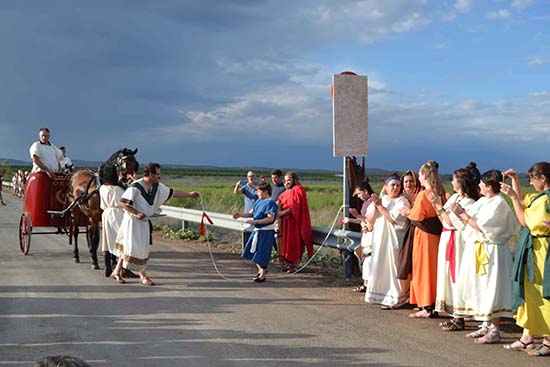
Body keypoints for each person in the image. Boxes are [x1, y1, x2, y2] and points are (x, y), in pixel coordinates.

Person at [451, 169, 519, 344]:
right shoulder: (483, 201)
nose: (479, 186)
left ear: (489, 186)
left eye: (482, 183)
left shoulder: (499, 204)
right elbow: (469, 222)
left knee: (493, 288)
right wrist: (459, 214)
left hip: (492, 251)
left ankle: (495, 329)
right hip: (480, 249)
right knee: (481, 287)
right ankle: (485, 324)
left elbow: (483, 227)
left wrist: (463, 214)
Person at [111, 163, 200, 285]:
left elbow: (173, 192)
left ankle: (116, 271)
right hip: (132, 222)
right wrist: (136, 213)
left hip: (144, 222)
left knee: (133, 247)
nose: (159, 177)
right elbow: (123, 203)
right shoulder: (135, 187)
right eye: (157, 174)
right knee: (135, 247)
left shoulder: (157, 187)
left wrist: (189, 195)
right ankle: (143, 276)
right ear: (151, 174)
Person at [500, 162, 550, 356]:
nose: (530, 182)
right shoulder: (541, 197)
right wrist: (514, 181)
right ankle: (528, 335)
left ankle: (547, 339)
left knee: (543, 292)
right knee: (531, 292)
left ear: (543, 178)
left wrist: (511, 197)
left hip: (543, 251)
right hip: (535, 250)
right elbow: (523, 200)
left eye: (532, 179)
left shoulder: (546, 200)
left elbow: (525, 220)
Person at [429, 168, 480, 331]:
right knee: (447, 276)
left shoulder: (469, 202)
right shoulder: (456, 197)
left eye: (454, 179)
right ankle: (453, 313)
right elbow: (442, 218)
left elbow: (451, 222)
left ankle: (460, 316)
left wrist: (438, 205)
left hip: (457, 240)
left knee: (456, 275)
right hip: (447, 237)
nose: (451, 182)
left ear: (461, 182)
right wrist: (437, 206)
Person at [365, 173, 411, 309]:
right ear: (386, 187)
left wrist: (380, 207)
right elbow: (370, 220)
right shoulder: (381, 199)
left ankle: (398, 297)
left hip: (394, 240)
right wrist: (376, 206)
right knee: (380, 265)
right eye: (393, 185)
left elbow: (393, 219)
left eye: (398, 185)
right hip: (380, 239)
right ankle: (381, 294)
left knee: (393, 267)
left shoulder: (402, 201)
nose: (396, 188)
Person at [407, 160, 446, 318]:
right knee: (434, 268)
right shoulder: (440, 192)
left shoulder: (424, 194)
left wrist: (406, 212)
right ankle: (434, 301)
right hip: (437, 236)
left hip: (424, 236)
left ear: (424, 175)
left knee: (423, 268)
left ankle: (426, 304)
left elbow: (416, 216)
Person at [233, 182, 278, 282]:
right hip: (258, 231)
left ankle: (262, 274)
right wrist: (240, 215)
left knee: (263, 253)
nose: (256, 192)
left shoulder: (270, 203)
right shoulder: (258, 201)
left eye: (258, 190)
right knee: (253, 251)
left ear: (265, 191)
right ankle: (261, 270)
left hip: (266, 232)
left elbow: (270, 219)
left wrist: (256, 221)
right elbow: (250, 213)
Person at [340, 180, 375, 292]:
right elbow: (362, 220)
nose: (359, 197)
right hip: (365, 233)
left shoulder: (373, 203)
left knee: (369, 260)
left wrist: (357, 215)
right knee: (365, 261)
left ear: (365, 191)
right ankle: (365, 284)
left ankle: (369, 285)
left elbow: (369, 220)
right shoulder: (366, 203)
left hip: (371, 234)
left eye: (359, 194)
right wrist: (350, 219)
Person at [277, 171, 313, 272]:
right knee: (285, 243)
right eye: (285, 180)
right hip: (285, 222)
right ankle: (287, 263)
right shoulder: (287, 192)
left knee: (294, 243)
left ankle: (295, 264)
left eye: (289, 180)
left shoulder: (298, 190)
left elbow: (294, 206)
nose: (287, 182)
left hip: (294, 221)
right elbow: (280, 201)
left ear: (295, 180)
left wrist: (282, 213)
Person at [99, 180, 126, 277]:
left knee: (106, 242)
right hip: (118, 214)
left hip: (106, 213)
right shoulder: (118, 189)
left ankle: (107, 267)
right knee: (123, 241)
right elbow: (126, 202)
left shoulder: (102, 188)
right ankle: (122, 269)